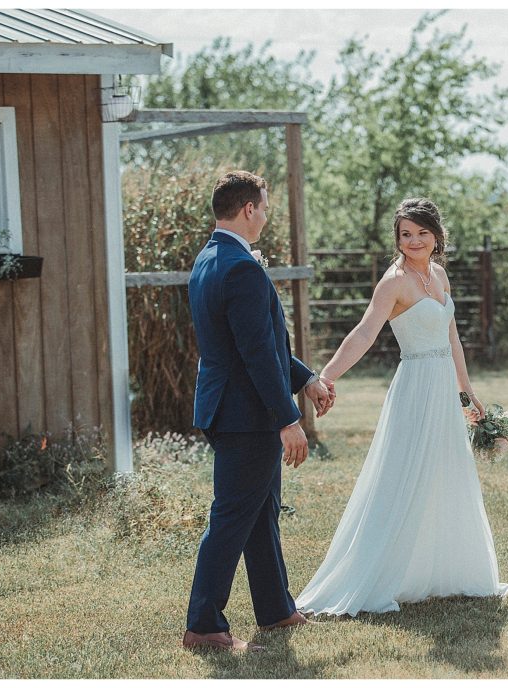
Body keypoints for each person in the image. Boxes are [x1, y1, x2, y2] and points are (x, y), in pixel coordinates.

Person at [294, 197, 508, 617]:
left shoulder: (439, 275)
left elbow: (452, 340)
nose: (412, 241)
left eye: (421, 233)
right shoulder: (393, 283)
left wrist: (465, 391)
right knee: (402, 475)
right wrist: (327, 376)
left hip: (443, 388)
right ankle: (376, 575)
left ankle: (444, 571)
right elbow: (364, 333)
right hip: (414, 388)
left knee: (447, 473)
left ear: (436, 236)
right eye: (405, 234)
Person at [182, 170, 335, 652]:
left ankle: (275, 610)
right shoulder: (242, 267)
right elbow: (255, 354)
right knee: (231, 518)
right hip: (246, 417)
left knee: (260, 513)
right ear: (248, 209)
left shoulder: (208, 259)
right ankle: (203, 625)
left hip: (223, 408)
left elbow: (261, 344)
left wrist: (306, 379)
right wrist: (288, 419)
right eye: (265, 209)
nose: (266, 217)